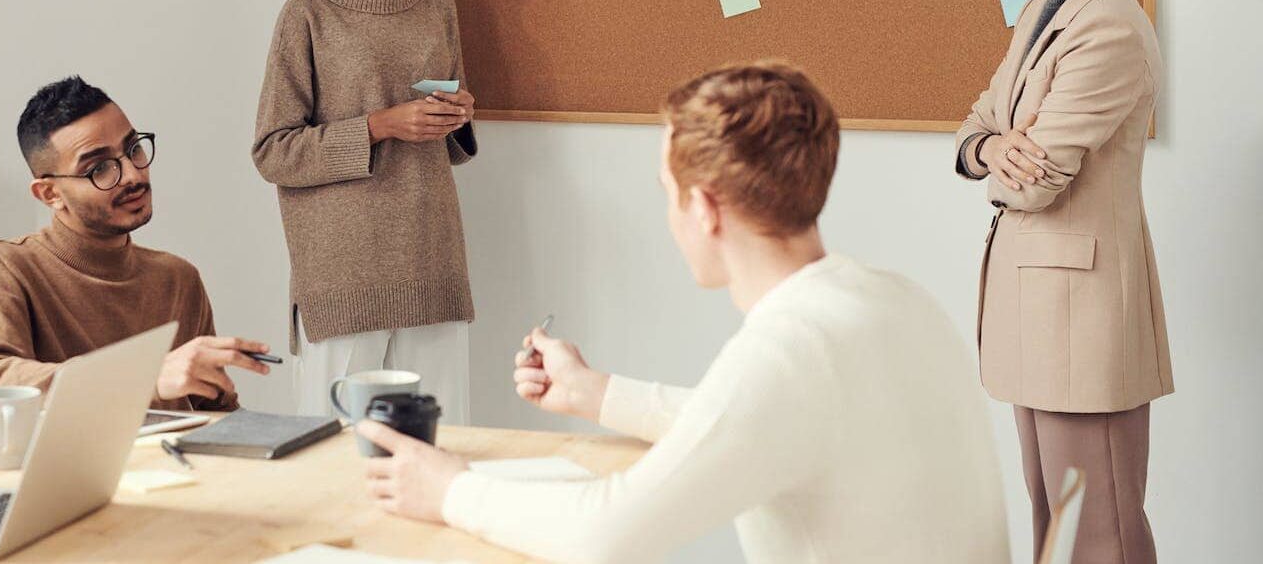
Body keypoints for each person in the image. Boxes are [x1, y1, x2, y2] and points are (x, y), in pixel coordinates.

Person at [359, 62, 1010, 563]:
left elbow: (603, 533)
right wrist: (598, 393)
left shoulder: (793, 349)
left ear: (704, 208)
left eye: (668, 195)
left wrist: (450, 490)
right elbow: (750, 423)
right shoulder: (887, 298)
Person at [953, 0, 1167, 563]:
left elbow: (1038, 182)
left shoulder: (1107, 27)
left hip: (1082, 320)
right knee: (1058, 530)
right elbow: (976, 126)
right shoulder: (1044, 9)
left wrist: (1005, 157)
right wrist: (991, 147)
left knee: (1098, 536)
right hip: (1040, 314)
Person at [253, 0, 479, 424]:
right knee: (335, 454)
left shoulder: (436, 4)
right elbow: (274, 152)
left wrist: (455, 117)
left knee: (442, 445)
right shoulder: (308, 11)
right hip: (344, 276)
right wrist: (380, 125)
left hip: (431, 257)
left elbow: (447, 144)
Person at [0, 76, 269, 411]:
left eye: (134, 149)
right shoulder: (1, 267)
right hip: (67, 466)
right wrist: (144, 377)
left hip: (172, 464)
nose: (133, 175)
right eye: (99, 168)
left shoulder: (178, 278)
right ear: (50, 194)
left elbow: (218, 419)